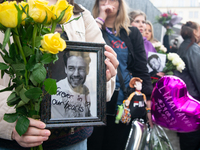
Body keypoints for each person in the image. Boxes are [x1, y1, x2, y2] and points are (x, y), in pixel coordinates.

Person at [0, 0, 119, 149]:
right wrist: (9, 123)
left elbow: (103, 80)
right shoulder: (5, 9)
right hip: (13, 142)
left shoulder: (80, 14)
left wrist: (103, 77)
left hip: (73, 140)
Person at [87, 1, 153, 150]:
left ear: (120, 4)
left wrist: (148, 100)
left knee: (116, 144)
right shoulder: (90, 27)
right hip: (95, 102)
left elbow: (141, 68)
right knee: (93, 144)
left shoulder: (131, 33)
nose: (107, 3)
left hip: (123, 103)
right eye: (103, 0)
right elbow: (86, 48)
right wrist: (101, 18)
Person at [176, 21, 200, 150]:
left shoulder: (182, 47)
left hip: (183, 103)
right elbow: (198, 76)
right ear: (195, 32)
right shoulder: (193, 49)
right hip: (194, 103)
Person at [51, 51, 92, 118]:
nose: (76, 74)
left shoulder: (85, 89)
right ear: (66, 69)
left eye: (81, 69)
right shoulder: (57, 91)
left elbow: (87, 115)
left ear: (87, 70)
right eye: (71, 68)